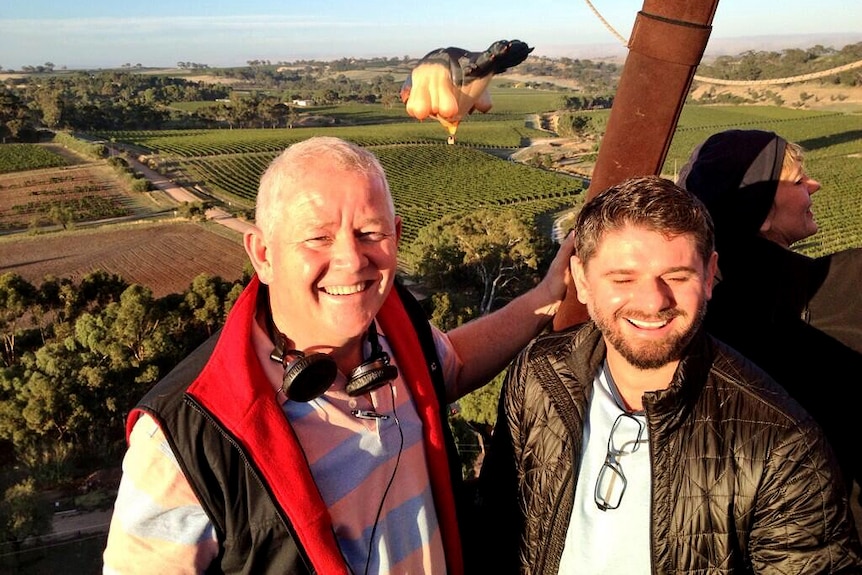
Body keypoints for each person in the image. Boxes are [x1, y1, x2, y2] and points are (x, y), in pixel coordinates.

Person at [102, 136, 573, 575]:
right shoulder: (184, 436)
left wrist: (549, 295)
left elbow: (455, 364)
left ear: (397, 236)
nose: (352, 259)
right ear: (262, 254)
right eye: (318, 238)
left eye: (370, 232)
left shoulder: (395, 326)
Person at [477, 175, 862, 573]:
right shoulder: (539, 375)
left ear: (710, 275)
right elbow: (497, 530)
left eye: (677, 277)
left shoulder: (781, 443)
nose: (652, 301)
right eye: (623, 278)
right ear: (582, 279)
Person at [677, 129, 862, 491]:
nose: (815, 185)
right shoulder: (847, 282)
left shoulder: (697, 313)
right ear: (758, 211)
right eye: (797, 181)